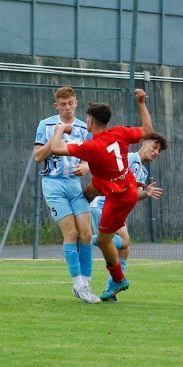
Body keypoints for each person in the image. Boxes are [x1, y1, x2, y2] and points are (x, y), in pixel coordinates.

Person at [50, 88, 164, 301]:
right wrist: (141, 102)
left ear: (90, 123)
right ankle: (83, 217)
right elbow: (148, 129)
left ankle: (118, 278)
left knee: (104, 241)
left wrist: (59, 130)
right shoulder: (119, 132)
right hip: (125, 188)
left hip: (118, 197)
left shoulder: (91, 146)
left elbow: (56, 149)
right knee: (95, 187)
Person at [34, 87, 99, 303]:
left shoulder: (83, 127)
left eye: (71, 103)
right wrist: (56, 136)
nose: (68, 108)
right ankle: (78, 285)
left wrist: (86, 166)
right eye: (63, 104)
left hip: (74, 184)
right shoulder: (46, 124)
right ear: (57, 106)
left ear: (76, 103)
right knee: (71, 233)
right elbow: (37, 156)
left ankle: (86, 283)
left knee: (86, 234)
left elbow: (89, 156)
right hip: (53, 184)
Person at [89, 136, 166, 301]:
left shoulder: (143, 172)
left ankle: (112, 290)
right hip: (103, 205)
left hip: (116, 209)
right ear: (144, 143)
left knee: (123, 247)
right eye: (154, 147)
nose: (156, 152)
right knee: (121, 242)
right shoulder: (128, 159)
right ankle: (83, 240)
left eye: (159, 151)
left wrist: (145, 193)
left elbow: (133, 194)